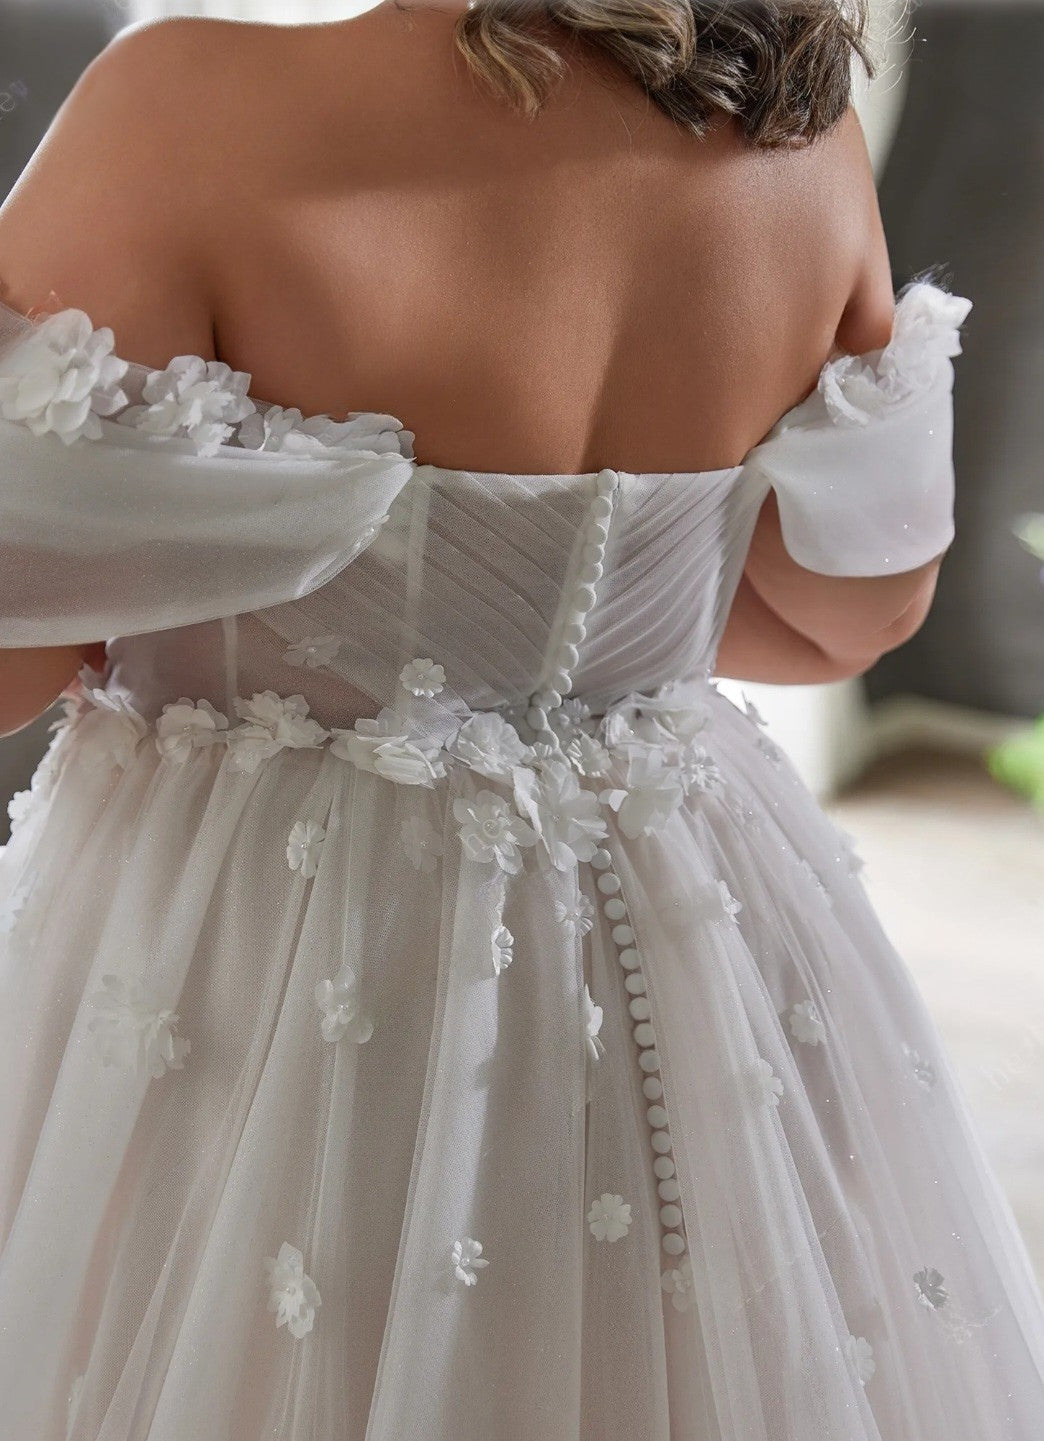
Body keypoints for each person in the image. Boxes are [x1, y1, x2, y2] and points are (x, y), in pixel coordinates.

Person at [0, 2, 1040, 1437]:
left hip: (274, 940)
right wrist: (590, 609)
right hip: (679, 913)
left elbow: (15, 649)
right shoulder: (794, 137)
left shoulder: (188, 103)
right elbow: (851, 605)